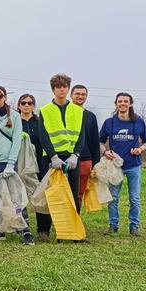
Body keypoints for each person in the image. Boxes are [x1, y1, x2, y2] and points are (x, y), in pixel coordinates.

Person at [0, 86, 35, 245]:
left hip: (7, 162)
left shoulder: (14, 116)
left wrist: (10, 164)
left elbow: (16, 141)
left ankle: (25, 229)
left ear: (5, 98)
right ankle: (0, 228)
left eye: (0, 96)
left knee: (15, 196)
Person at [38, 73, 87, 233]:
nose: (61, 90)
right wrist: (53, 156)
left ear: (68, 89)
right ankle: (44, 230)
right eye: (58, 87)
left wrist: (76, 155)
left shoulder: (78, 111)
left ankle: (71, 231)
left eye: (64, 87)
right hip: (51, 158)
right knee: (49, 193)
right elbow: (43, 136)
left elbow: (81, 135)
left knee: (73, 194)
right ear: (53, 89)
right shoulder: (45, 110)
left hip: (71, 158)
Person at [99, 93, 146, 236]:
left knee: (134, 198)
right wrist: (105, 152)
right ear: (116, 103)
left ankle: (134, 227)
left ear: (130, 104)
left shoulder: (138, 121)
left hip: (134, 165)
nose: (122, 103)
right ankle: (113, 225)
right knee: (113, 197)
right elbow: (100, 141)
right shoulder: (109, 122)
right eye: (120, 101)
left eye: (125, 101)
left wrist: (140, 149)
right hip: (115, 167)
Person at [18, 94, 53, 241]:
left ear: (33, 106)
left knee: (42, 196)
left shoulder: (40, 123)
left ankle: (43, 230)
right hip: (19, 165)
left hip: (40, 165)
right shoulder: (14, 122)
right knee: (19, 196)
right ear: (19, 105)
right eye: (23, 103)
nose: (26, 105)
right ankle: (21, 227)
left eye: (30, 103)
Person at [71, 84, 101, 207]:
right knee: (66, 193)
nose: (80, 96)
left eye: (83, 94)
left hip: (85, 159)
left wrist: (96, 164)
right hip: (67, 158)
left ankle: (76, 217)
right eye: (77, 94)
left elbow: (95, 141)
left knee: (79, 193)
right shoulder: (65, 113)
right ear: (71, 95)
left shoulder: (90, 116)